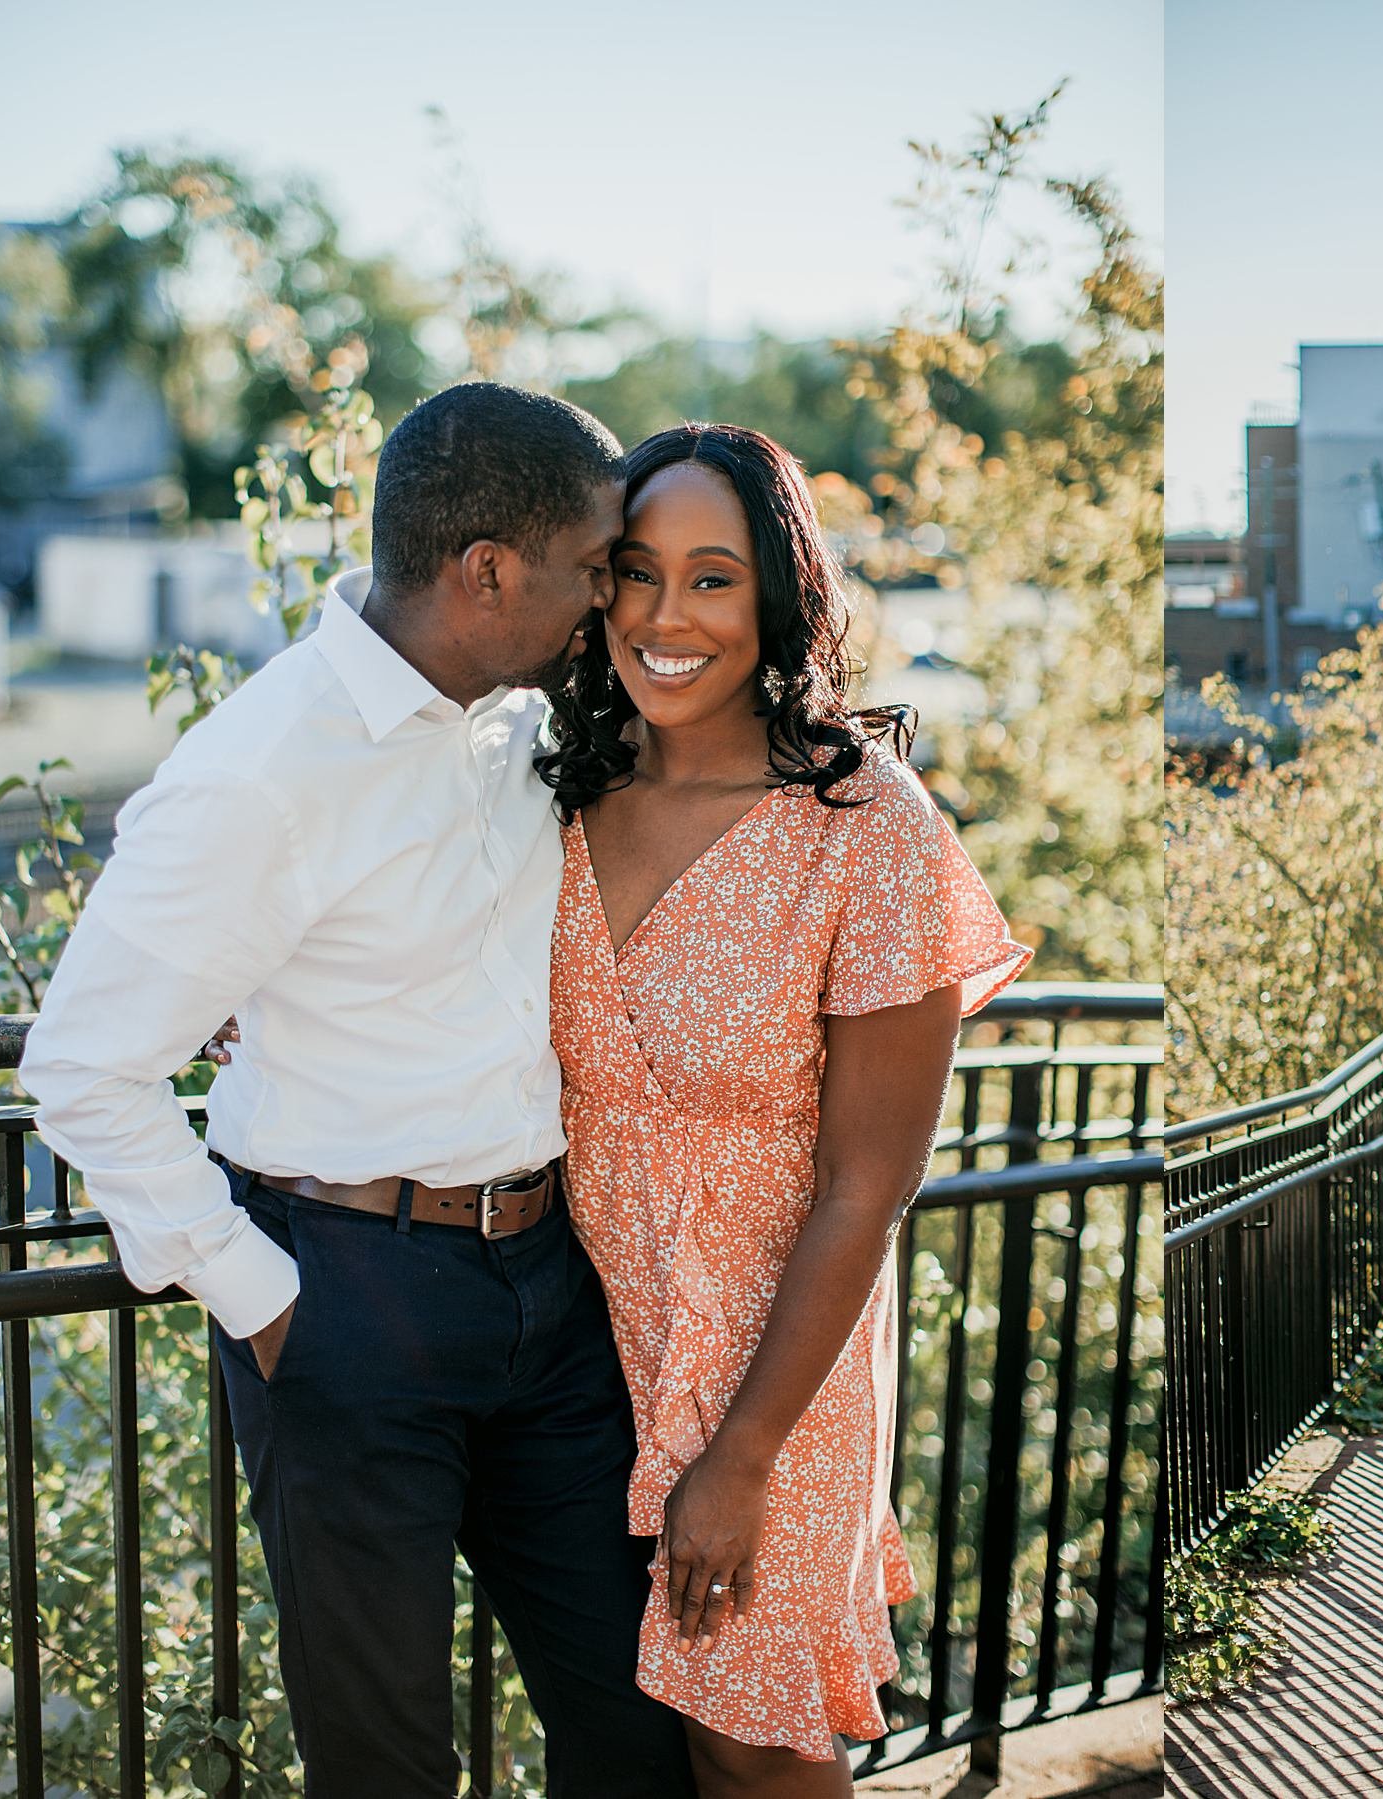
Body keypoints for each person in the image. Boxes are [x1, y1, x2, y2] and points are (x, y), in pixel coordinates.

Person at [19, 384, 697, 1796]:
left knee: (640, 1719)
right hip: (344, 1301)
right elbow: (82, 1063)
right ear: (488, 570)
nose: (607, 605)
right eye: (590, 569)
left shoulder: (524, 714)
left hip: (550, 1291)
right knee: (389, 1762)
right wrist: (262, 1303)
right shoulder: (258, 773)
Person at [536, 423, 1029, 1796]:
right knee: (633, 1736)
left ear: (774, 598)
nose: (664, 615)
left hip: (777, 1364)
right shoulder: (556, 796)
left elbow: (867, 1186)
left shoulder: (864, 823)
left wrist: (739, 1455)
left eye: (711, 577)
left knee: (751, 1741)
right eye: (635, 572)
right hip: (584, 1349)